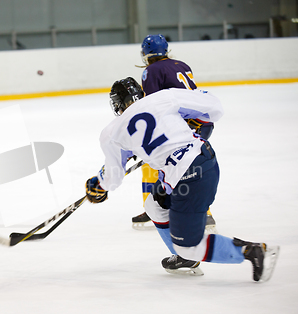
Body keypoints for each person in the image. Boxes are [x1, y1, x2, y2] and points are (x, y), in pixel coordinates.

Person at [85, 77, 279, 282]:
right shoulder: (163, 97)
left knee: (190, 246)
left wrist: (98, 185)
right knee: (154, 205)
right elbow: (214, 106)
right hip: (203, 160)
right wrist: (199, 122)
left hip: (189, 179)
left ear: (118, 105)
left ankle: (253, 251)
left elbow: (113, 177)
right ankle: (184, 258)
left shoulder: (112, 132)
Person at [132, 34, 216, 236]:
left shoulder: (150, 71)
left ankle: (198, 213)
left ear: (146, 53)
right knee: (190, 166)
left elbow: (153, 105)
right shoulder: (181, 64)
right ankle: (199, 212)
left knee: (172, 168)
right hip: (200, 122)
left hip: (180, 126)